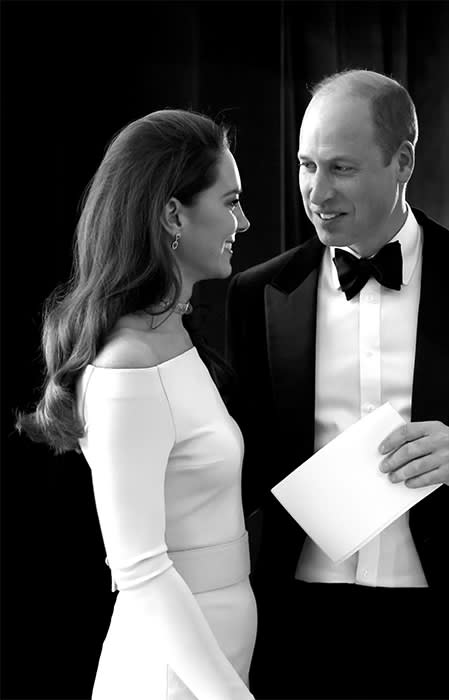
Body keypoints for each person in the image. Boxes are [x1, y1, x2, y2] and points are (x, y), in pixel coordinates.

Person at [226, 70, 449, 699]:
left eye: (341, 168)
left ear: (403, 161)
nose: (316, 192)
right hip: (302, 633)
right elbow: (239, 462)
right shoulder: (257, 297)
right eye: (306, 166)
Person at [17, 109, 257, 699]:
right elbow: (140, 569)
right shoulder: (128, 366)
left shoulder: (173, 335)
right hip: (169, 675)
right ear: (173, 213)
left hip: (207, 657)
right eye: (229, 202)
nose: (244, 221)